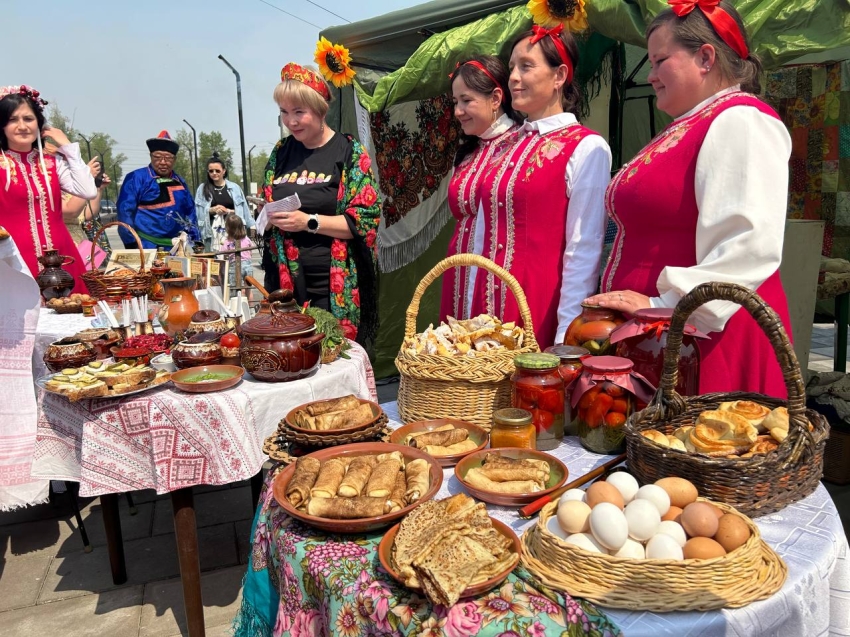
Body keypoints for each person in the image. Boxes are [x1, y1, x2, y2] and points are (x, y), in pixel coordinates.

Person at [586, 0, 792, 397]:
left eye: (661, 60)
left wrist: (664, 302)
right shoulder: (693, 123)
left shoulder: (740, 120)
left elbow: (747, 245)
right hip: (671, 338)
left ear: (705, 57)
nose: (651, 75)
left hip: (709, 342)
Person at [464, 26, 611, 348]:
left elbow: (583, 250)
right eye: (512, 67)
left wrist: (567, 337)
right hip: (481, 314)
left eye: (526, 66)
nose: (513, 77)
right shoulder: (505, 144)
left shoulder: (586, 147)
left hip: (538, 310)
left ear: (559, 76)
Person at [262, 63, 381, 345]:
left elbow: (363, 223)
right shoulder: (281, 152)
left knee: (334, 356)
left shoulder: (348, 150)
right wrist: (266, 216)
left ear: (320, 109)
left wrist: (308, 221)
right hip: (287, 281)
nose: (291, 122)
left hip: (336, 284)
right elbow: (268, 203)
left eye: (299, 112)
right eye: (284, 112)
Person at [439, 55, 524, 321]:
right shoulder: (468, 153)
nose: (458, 111)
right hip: (460, 277)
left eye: (466, 100)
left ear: (496, 98)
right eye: (455, 102)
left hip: (501, 280)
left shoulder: (523, 146)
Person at [0, 85, 97, 291]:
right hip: (13, 260)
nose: (22, 126)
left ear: (39, 124)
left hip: (61, 258)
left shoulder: (52, 163)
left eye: (28, 119)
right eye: (12, 120)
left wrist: (68, 147)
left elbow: (88, 190)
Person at [116, 131, 199, 250]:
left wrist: (195, 241)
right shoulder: (136, 178)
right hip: (146, 246)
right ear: (151, 156)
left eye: (168, 158)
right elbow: (125, 213)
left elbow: (190, 212)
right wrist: (132, 244)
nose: (163, 162)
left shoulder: (180, 181)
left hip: (176, 248)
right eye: (158, 157)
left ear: (175, 159)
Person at [195, 153, 254, 253]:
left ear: (224, 171)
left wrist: (228, 211)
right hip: (211, 234)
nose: (214, 173)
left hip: (233, 231)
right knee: (213, 262)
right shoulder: (202, 188)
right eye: (211, 171)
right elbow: (197, 212)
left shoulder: (235, 188)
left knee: (233, 262)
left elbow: (243, 210)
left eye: (217, 170)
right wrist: (211, 210)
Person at [222, 213, 253, 289]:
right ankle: (248, 300)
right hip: (248, 265)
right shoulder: (246, 238)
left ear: (228, 228)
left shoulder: (227, 241)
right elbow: (250, 250)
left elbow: (224, 254)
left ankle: (238, 300)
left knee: (235, 289)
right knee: (248, 289)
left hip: (234, 266)